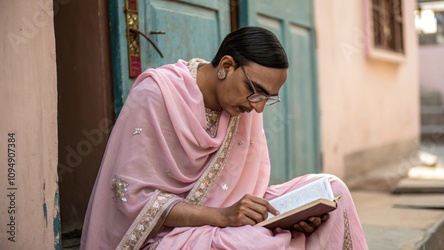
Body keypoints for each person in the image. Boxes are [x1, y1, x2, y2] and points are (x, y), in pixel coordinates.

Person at [81, 26, 368, 249]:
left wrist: (295, 215)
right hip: (167, 233)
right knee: (250, 243)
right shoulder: (156, 95)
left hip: (228, 216)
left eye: (267, 98)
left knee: (331, 188)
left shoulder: (243, 106)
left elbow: (245, 192)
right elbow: (134, 200)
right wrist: (223, 217)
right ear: (227, 66)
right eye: (254, 90)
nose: (257, 107)